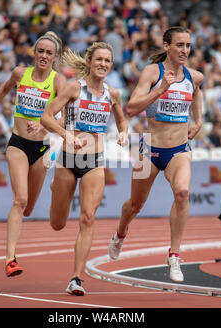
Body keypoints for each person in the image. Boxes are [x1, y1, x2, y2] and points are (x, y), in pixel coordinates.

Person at [108, 26, 204, 282]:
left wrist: (199, 120)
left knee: (182, 193)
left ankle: (174, 255)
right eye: (179, 45)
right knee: (135, 205)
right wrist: (159, 90)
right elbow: (130, 108)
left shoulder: (194, 76)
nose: (184, 50)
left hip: (179, 149)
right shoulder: (152, 72)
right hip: (149, 146)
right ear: (166, 46)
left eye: (187, 45)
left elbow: (197, 92)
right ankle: (120, 232)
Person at [0, 31, 67, 277]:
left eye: (49, 53)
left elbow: (64, 116)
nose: (44, 56)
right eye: (40, 51)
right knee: (20, 200)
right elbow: (4, 89)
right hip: (17, 143)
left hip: (43, 148)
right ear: (34, 53)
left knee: (28, 209)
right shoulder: (20, 73)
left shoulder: (58, 82)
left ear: (55, 57)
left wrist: (46, 123)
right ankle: (10, 258)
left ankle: (53, 185)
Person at [40, 42, 128, 295]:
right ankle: (55, 187)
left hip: (94, 162)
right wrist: (66, 135)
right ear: (89, 62)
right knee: (57, 223)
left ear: (111, 65)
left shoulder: (113, 94)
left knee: (88, 217)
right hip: (68, 160)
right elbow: (46, 117)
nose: (103, 64)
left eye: (107, 61)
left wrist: (123, 134)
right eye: (99, 59)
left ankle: (76, 278)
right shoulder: (74, 88)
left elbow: (122, 122)